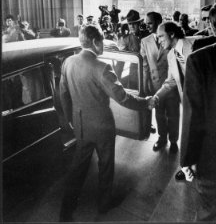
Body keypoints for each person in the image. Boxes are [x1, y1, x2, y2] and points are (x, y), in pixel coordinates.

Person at [59, 24, 153, 221]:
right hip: (103, 127)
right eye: (101, 41)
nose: (103, 45)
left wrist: (71, 120)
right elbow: (123, 98)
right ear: (95, 42)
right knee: (106, 165)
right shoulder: (102, 68)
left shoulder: (68, 62)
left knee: (78, 166)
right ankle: (104, 204)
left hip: (81, 125)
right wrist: (146, 103)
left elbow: (63, 95)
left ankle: (66, 208)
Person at [180, 0, 216, 221]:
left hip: (213, 157)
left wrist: (186, 160)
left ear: (214, 27)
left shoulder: (199, 60)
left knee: (210, 213)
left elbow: (192, 118)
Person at [149, 22, 199, 179]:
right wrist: (156, 97)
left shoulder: (196, 44)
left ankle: (195, 170)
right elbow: (170, 81)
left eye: (161, 36)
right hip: (189, 102)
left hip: (205, 101)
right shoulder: (171, 55)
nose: (159, 41)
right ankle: (190, 168)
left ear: (172, 34)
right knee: (191, 135)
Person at [140, 13, 180, 152]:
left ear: (159, 22)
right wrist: (145, 85)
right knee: (159, 114)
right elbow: (145, 65)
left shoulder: (169, 38)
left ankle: (173, 141)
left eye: (150, 23)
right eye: (146, 23)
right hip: (155, 84)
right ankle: (162, 138)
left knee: (173, 114)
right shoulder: (145, 41)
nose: (147, 26)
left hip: (171, 83)